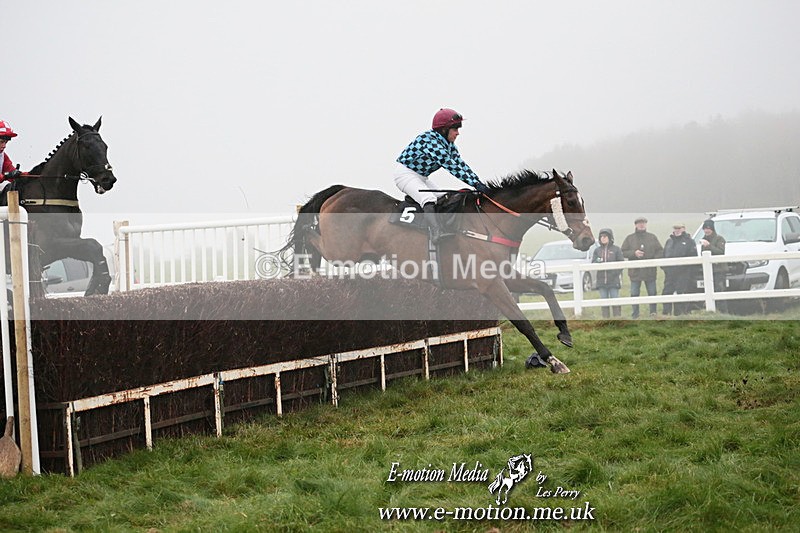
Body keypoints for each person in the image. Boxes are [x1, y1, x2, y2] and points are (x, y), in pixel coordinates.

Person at [394, 108, 490, 243]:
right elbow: (451, 165)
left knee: (445, 197)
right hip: (405, 175)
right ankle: (435, 232)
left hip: (421, 177)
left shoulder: (450, 146)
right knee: (428, 198)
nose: (458, 133)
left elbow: (461, 165)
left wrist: (479, 183)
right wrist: (475, 184)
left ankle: (443, 226)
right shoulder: (429, 141)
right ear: (444, 129)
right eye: (455, 128)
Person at [621, 217, 663, 318]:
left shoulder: (652, 237)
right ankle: (635, 314)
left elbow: (660, 250)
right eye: (639, 223)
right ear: (635, 225)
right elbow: (623, 252)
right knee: (634, 293)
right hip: (635, 272)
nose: (641, 225)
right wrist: (634, 253)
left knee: (652, 292)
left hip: (650, 271)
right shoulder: (630, 238)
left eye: (643, 223)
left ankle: (653, 312)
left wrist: (653, 260)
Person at [661, 222, 697, 315]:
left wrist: (687, 271)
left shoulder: (689, 241)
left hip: (683, 273)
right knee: (667, 292)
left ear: (683, 229)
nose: (677, 230)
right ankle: (666, 313)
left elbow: (693, 257)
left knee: (681, 292)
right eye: (675, 228)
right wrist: (665, 268)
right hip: (670, 273)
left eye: (679, 228)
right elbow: (664, 255)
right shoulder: (669, 241)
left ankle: (679, 314)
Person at [591, 228, 624, 318]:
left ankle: (617, 318)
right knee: (604, 300)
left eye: (605, 236)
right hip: (601, 281)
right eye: (601, 236)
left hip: (613, 280)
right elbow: (593, 263)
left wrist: (614, 273)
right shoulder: (597, 250)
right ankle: (606, 319)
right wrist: (598, 262)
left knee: (615, 299)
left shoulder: (616, 249)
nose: (603, 238)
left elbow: (621, 263)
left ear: (610, 237)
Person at [699, 218, 727, 312]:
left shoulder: (720, 239)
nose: (706, 230)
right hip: (708, 271)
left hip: (718, 270)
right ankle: (711, 311)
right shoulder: (703, 240)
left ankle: (723, 312)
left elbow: (720, 252)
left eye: (708, 228)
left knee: (719, 290)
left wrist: (709, 246)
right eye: (705, 228)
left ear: (712, 229)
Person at [0, 120, 23, 192]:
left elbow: (11, 171)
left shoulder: (3, 156)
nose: (4, 146)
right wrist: (6, 176)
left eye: (5, 142)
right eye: (1, 142)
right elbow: (7, 175)